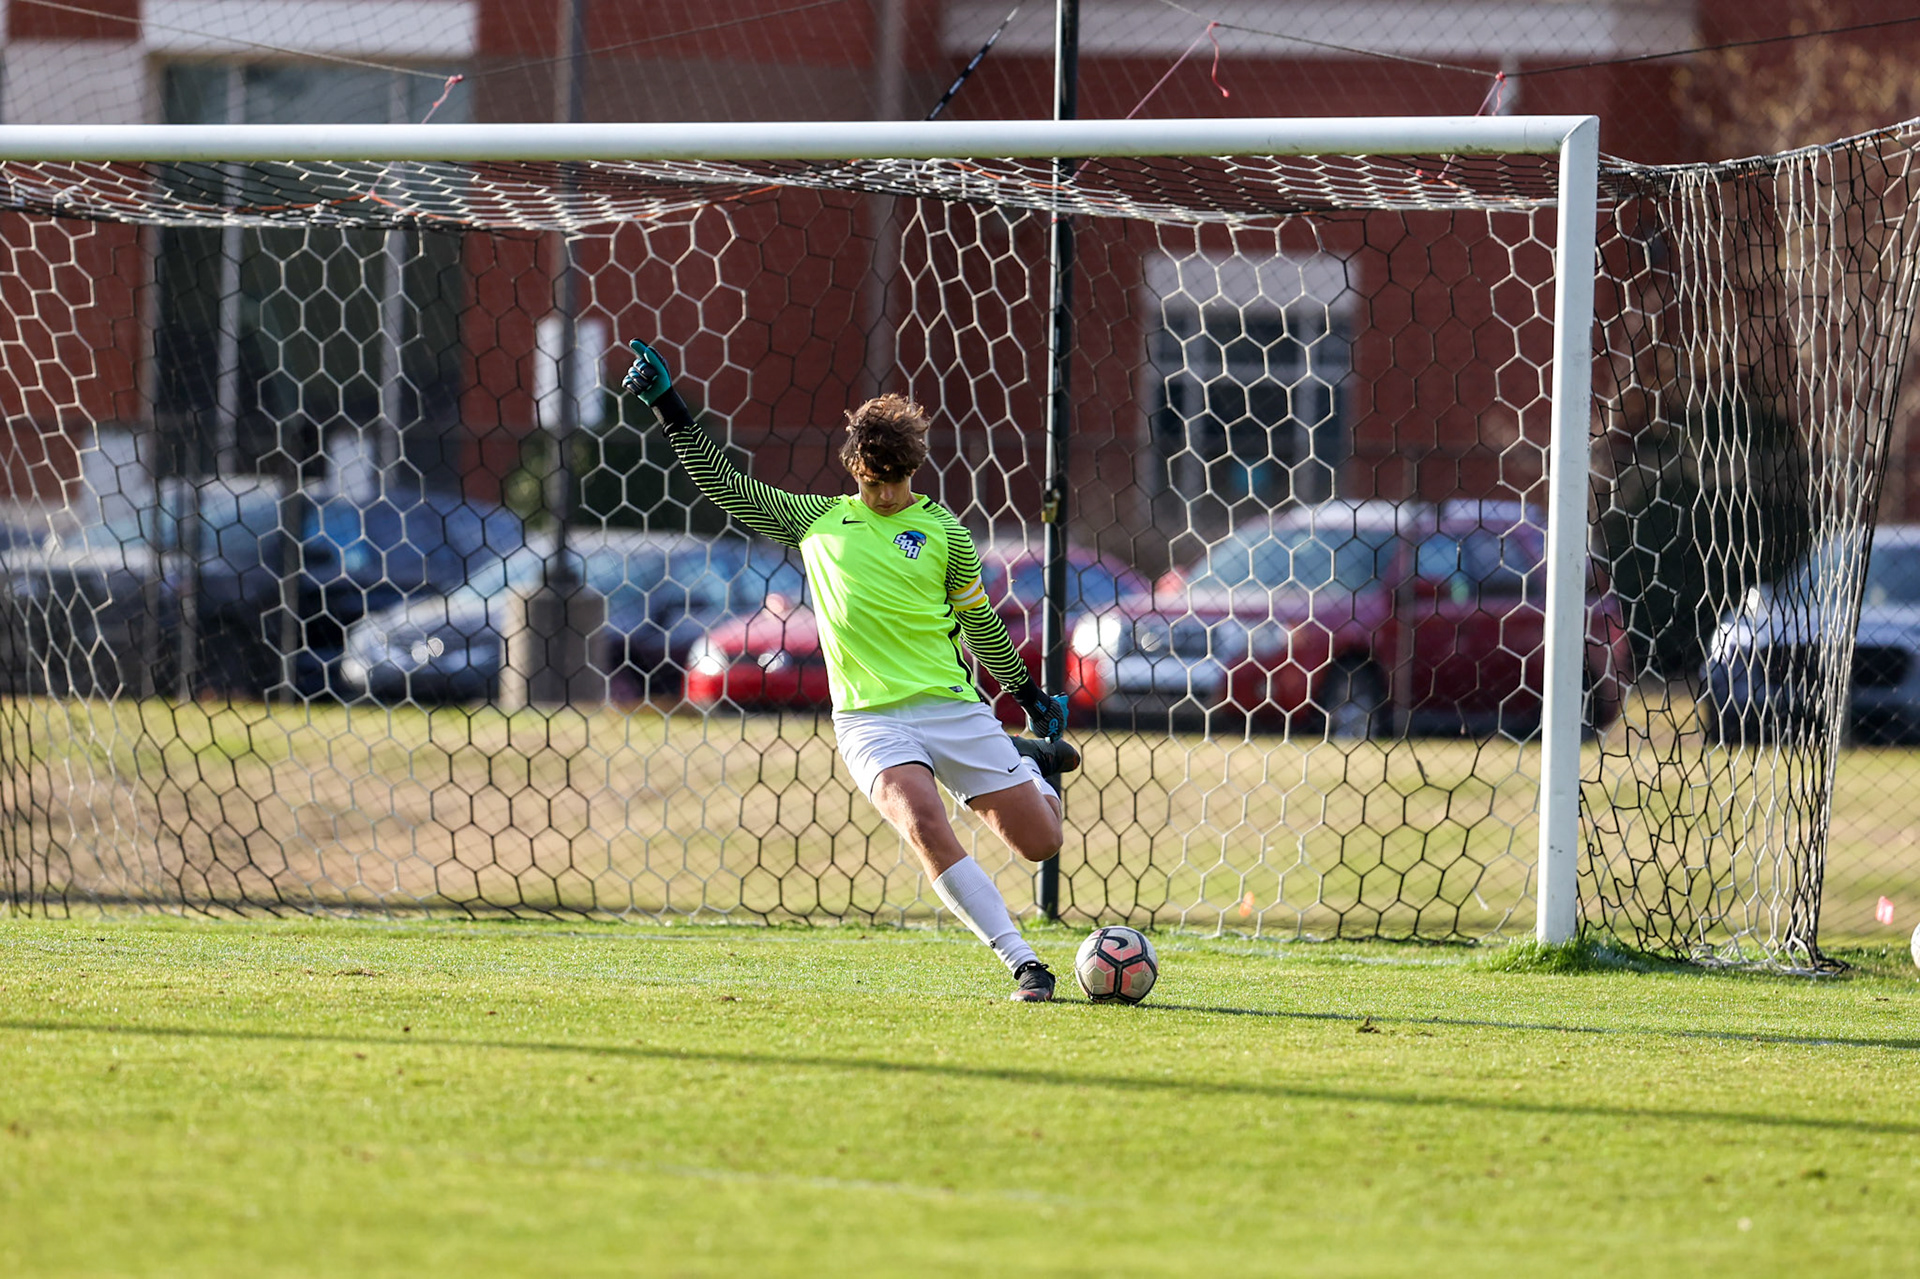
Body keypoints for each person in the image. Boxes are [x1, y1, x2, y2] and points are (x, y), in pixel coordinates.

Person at [622, 339, 1077, 1001]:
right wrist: (669, 404)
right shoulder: (819, 521)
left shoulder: (943, 530)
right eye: (873, 482)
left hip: (952, 707)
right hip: (870, 720)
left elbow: (979, 624)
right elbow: (725, 486)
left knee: (1040, 842)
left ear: (913, 469)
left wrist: (1028, 693)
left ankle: (1026, 761)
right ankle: (1024, 962)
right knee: (923, 820)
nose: (886, 494)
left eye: (896, 481)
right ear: (855, 472)